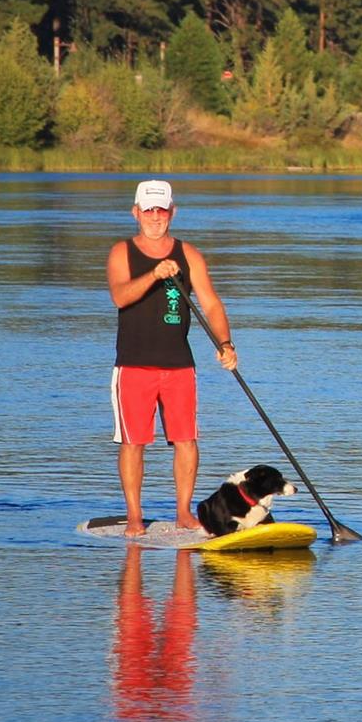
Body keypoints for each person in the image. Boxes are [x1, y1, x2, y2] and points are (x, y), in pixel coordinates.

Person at [106, 179, 237, 536]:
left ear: (172, 212)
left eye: (161, 210)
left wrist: (225, 343)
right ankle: (135, 516)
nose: (154, 217)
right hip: (133, 365)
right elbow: (120, 296)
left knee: (186, 440)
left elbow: (210, 303)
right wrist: (154, 273)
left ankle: (183, 512)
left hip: (179, 364)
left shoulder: (189, 254)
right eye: (147, 210)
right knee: (134, 442)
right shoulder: (122, 252)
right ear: (136, 213)